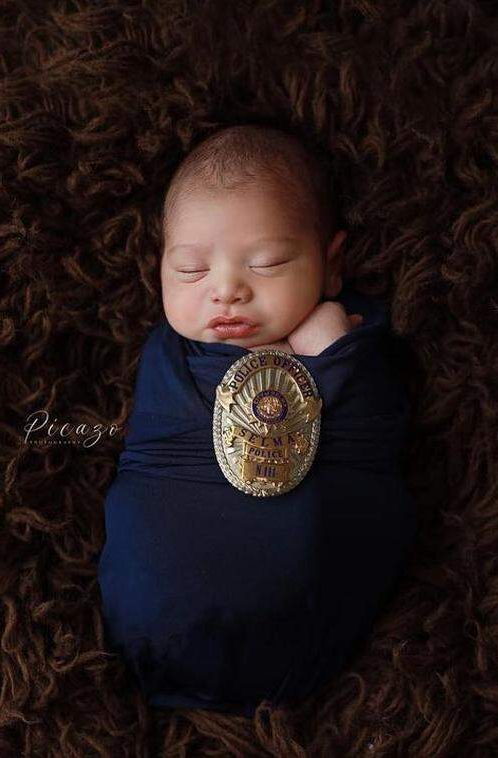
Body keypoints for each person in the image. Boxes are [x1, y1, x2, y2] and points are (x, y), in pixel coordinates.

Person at [96, 124, 417, 716]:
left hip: (309, 641)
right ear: (160, 269)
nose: (226, 291)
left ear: (331, 265)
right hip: (151, 632)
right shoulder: (170, 357)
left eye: (267, 263)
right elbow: (150, 452)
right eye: (191, 270)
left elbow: (379, 436)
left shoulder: (350, 345)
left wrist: (337, 361)